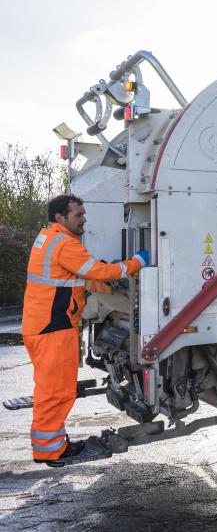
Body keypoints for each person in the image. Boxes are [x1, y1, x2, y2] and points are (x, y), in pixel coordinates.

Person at [22, 194, 148, 463]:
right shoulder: (64, 244)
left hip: (40, 326)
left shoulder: (49, 238)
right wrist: (138, 262)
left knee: (49, 390)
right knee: (56, 392)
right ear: (60, 217)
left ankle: (51, 445)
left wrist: (101, 285)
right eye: (78, 215)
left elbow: (72, 280)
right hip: (53, 329)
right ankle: (51, 450)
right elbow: (100, 272)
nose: (84, 219)